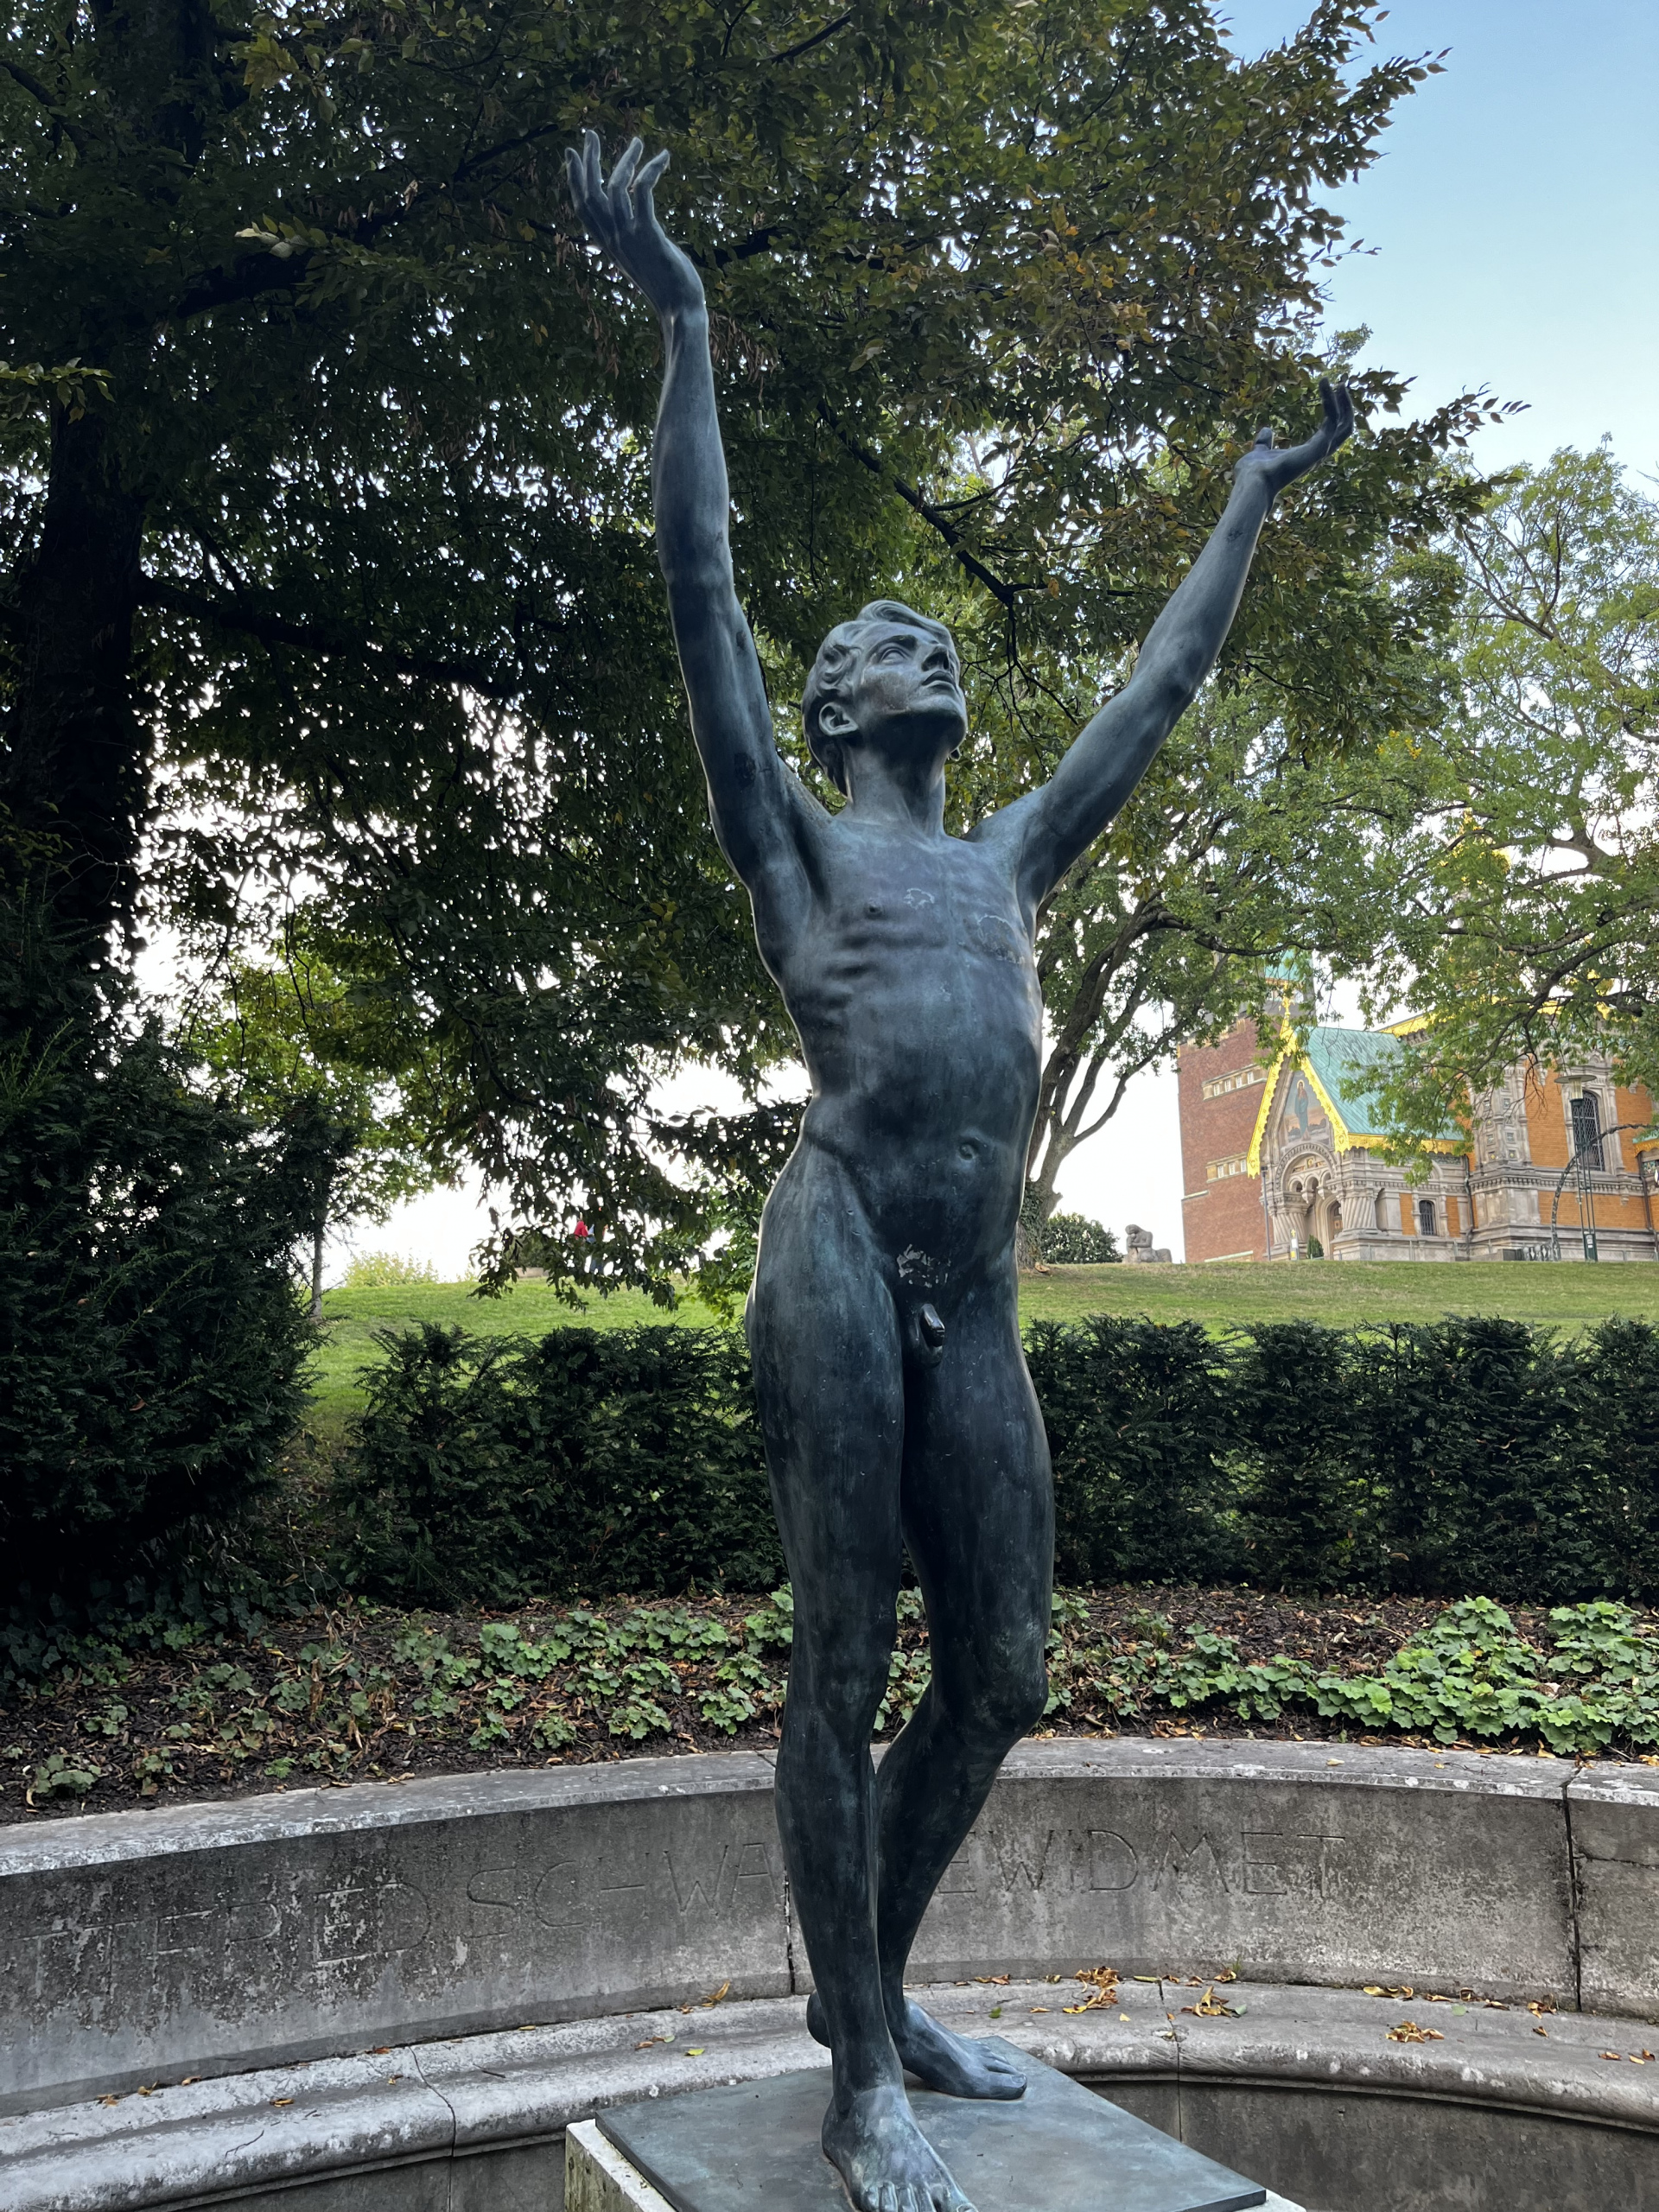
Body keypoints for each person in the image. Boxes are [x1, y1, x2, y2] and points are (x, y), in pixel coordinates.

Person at [565, 132, 1352, 2212]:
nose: (920, 637)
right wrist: (686, 322)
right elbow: (701, 584)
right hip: (834, 1245)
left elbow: (1158, 691)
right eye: (881, 635)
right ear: (837, 708)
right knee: (843, 1659)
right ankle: (859, 2079)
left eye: (932, 630)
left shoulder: (1007, 861)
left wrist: (1248, 498)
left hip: (976, 1284)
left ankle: (883, 1991)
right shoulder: (799, 846)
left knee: (1001, 1666)